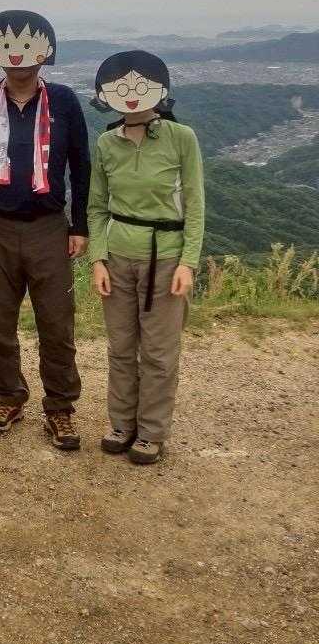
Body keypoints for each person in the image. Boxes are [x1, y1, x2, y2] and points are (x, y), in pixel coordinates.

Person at [0, 10, 90, 451]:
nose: (17, 56)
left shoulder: (64, 101)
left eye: (27, 46)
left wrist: (79, 224)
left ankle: (60, 406)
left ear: (44, 52)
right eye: (6, 47)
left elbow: (81, 165)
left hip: (49, 227)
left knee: (56, 322)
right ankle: (9, 396)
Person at [87, 50, 204, 465]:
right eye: (121, 87)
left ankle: (152, 431)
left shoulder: (181, 138)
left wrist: (188, 262)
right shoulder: (106, 143)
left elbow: (195, 204)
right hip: (118, 255)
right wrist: (97, 260)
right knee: (120, 347)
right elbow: (96, 207)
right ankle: (122, 423)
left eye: (141, 86)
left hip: (166, 257)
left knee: (158, 351)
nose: (132, 95)